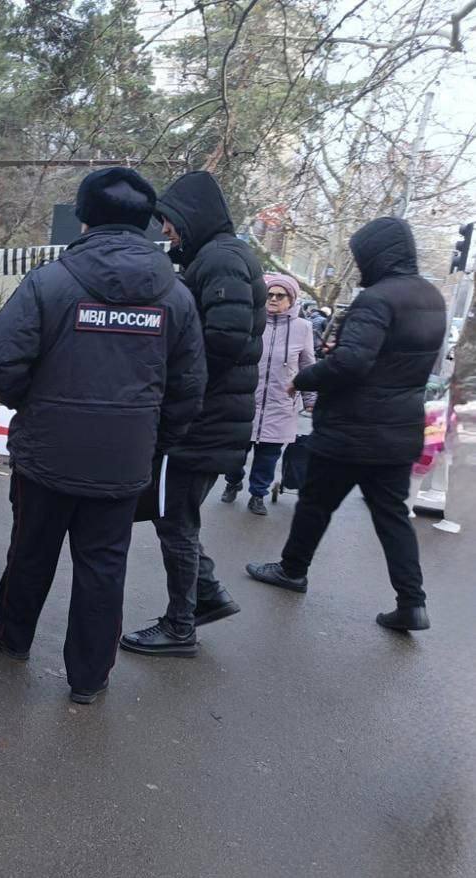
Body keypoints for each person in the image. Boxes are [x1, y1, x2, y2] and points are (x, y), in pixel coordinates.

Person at [0, 168, 206, 704]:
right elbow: (189, 387)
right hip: (123, 460)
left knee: (32, 549)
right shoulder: (175, 295)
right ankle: (89, 677)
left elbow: (1, 357)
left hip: (47, 450)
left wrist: (30, 404)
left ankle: (13, 636)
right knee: (104, 564)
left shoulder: (50, 282)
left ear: (84, 217)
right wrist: (153, 438)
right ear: (147, 223)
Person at [247, 217, 447, 632]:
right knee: (392, 516)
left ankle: (292, 569)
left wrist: (303, 379)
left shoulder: (376, 299)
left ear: (376, 255)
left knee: (316, 504)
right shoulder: (430, 296)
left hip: (350, 430)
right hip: (398, 429)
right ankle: (412, 602)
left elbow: (352, 361)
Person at [120, 170, 267, 658]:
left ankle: (181, 624)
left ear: (192, 217)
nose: (166, 231)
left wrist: (175, 374)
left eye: (169, 221)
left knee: (174, 520)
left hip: (200, 421)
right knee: (174, 514)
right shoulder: (221, 256)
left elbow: (223, 339)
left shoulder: (221, 259)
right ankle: (206, 595)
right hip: (213, 417)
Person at [221, 273, 316, 515]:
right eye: (269, 294)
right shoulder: (253, 321)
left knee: (268, 456)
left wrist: (310, 399)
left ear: (291, 299)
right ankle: (233, 481)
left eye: (279, 295)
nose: (273, 299)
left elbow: (307, 366)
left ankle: (257, 495)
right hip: (247, 401)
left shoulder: (303, 328)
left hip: (280, 403)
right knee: (236, 452)